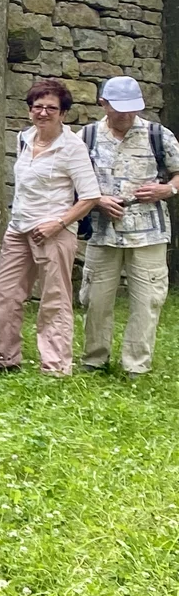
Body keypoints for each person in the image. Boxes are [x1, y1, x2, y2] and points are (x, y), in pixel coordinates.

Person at [0, 78, 98, 376]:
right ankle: (4, 360)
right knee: (4, 293)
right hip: (19, 228)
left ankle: (55, 366)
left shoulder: (72, 147)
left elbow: (90, 196)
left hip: (55, 232)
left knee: (54, 299)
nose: (43, 113)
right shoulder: (24, 138)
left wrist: (58, 223)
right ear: (29, 111)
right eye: (38, 107)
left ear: (63, 113)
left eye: (51, 108)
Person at [79, 75, 179, 377]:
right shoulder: (86, 136)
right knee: (95, 299)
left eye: (131, 108)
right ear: (103, 104)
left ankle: (136, 365)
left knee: (147, 300)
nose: (124, 114)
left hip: (149, 232)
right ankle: (94, 360)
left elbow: (177, 174)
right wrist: (97, 200)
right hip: (102, 232)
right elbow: (71, 181)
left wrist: (168, 190)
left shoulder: (158, 135)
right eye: (118, 107)